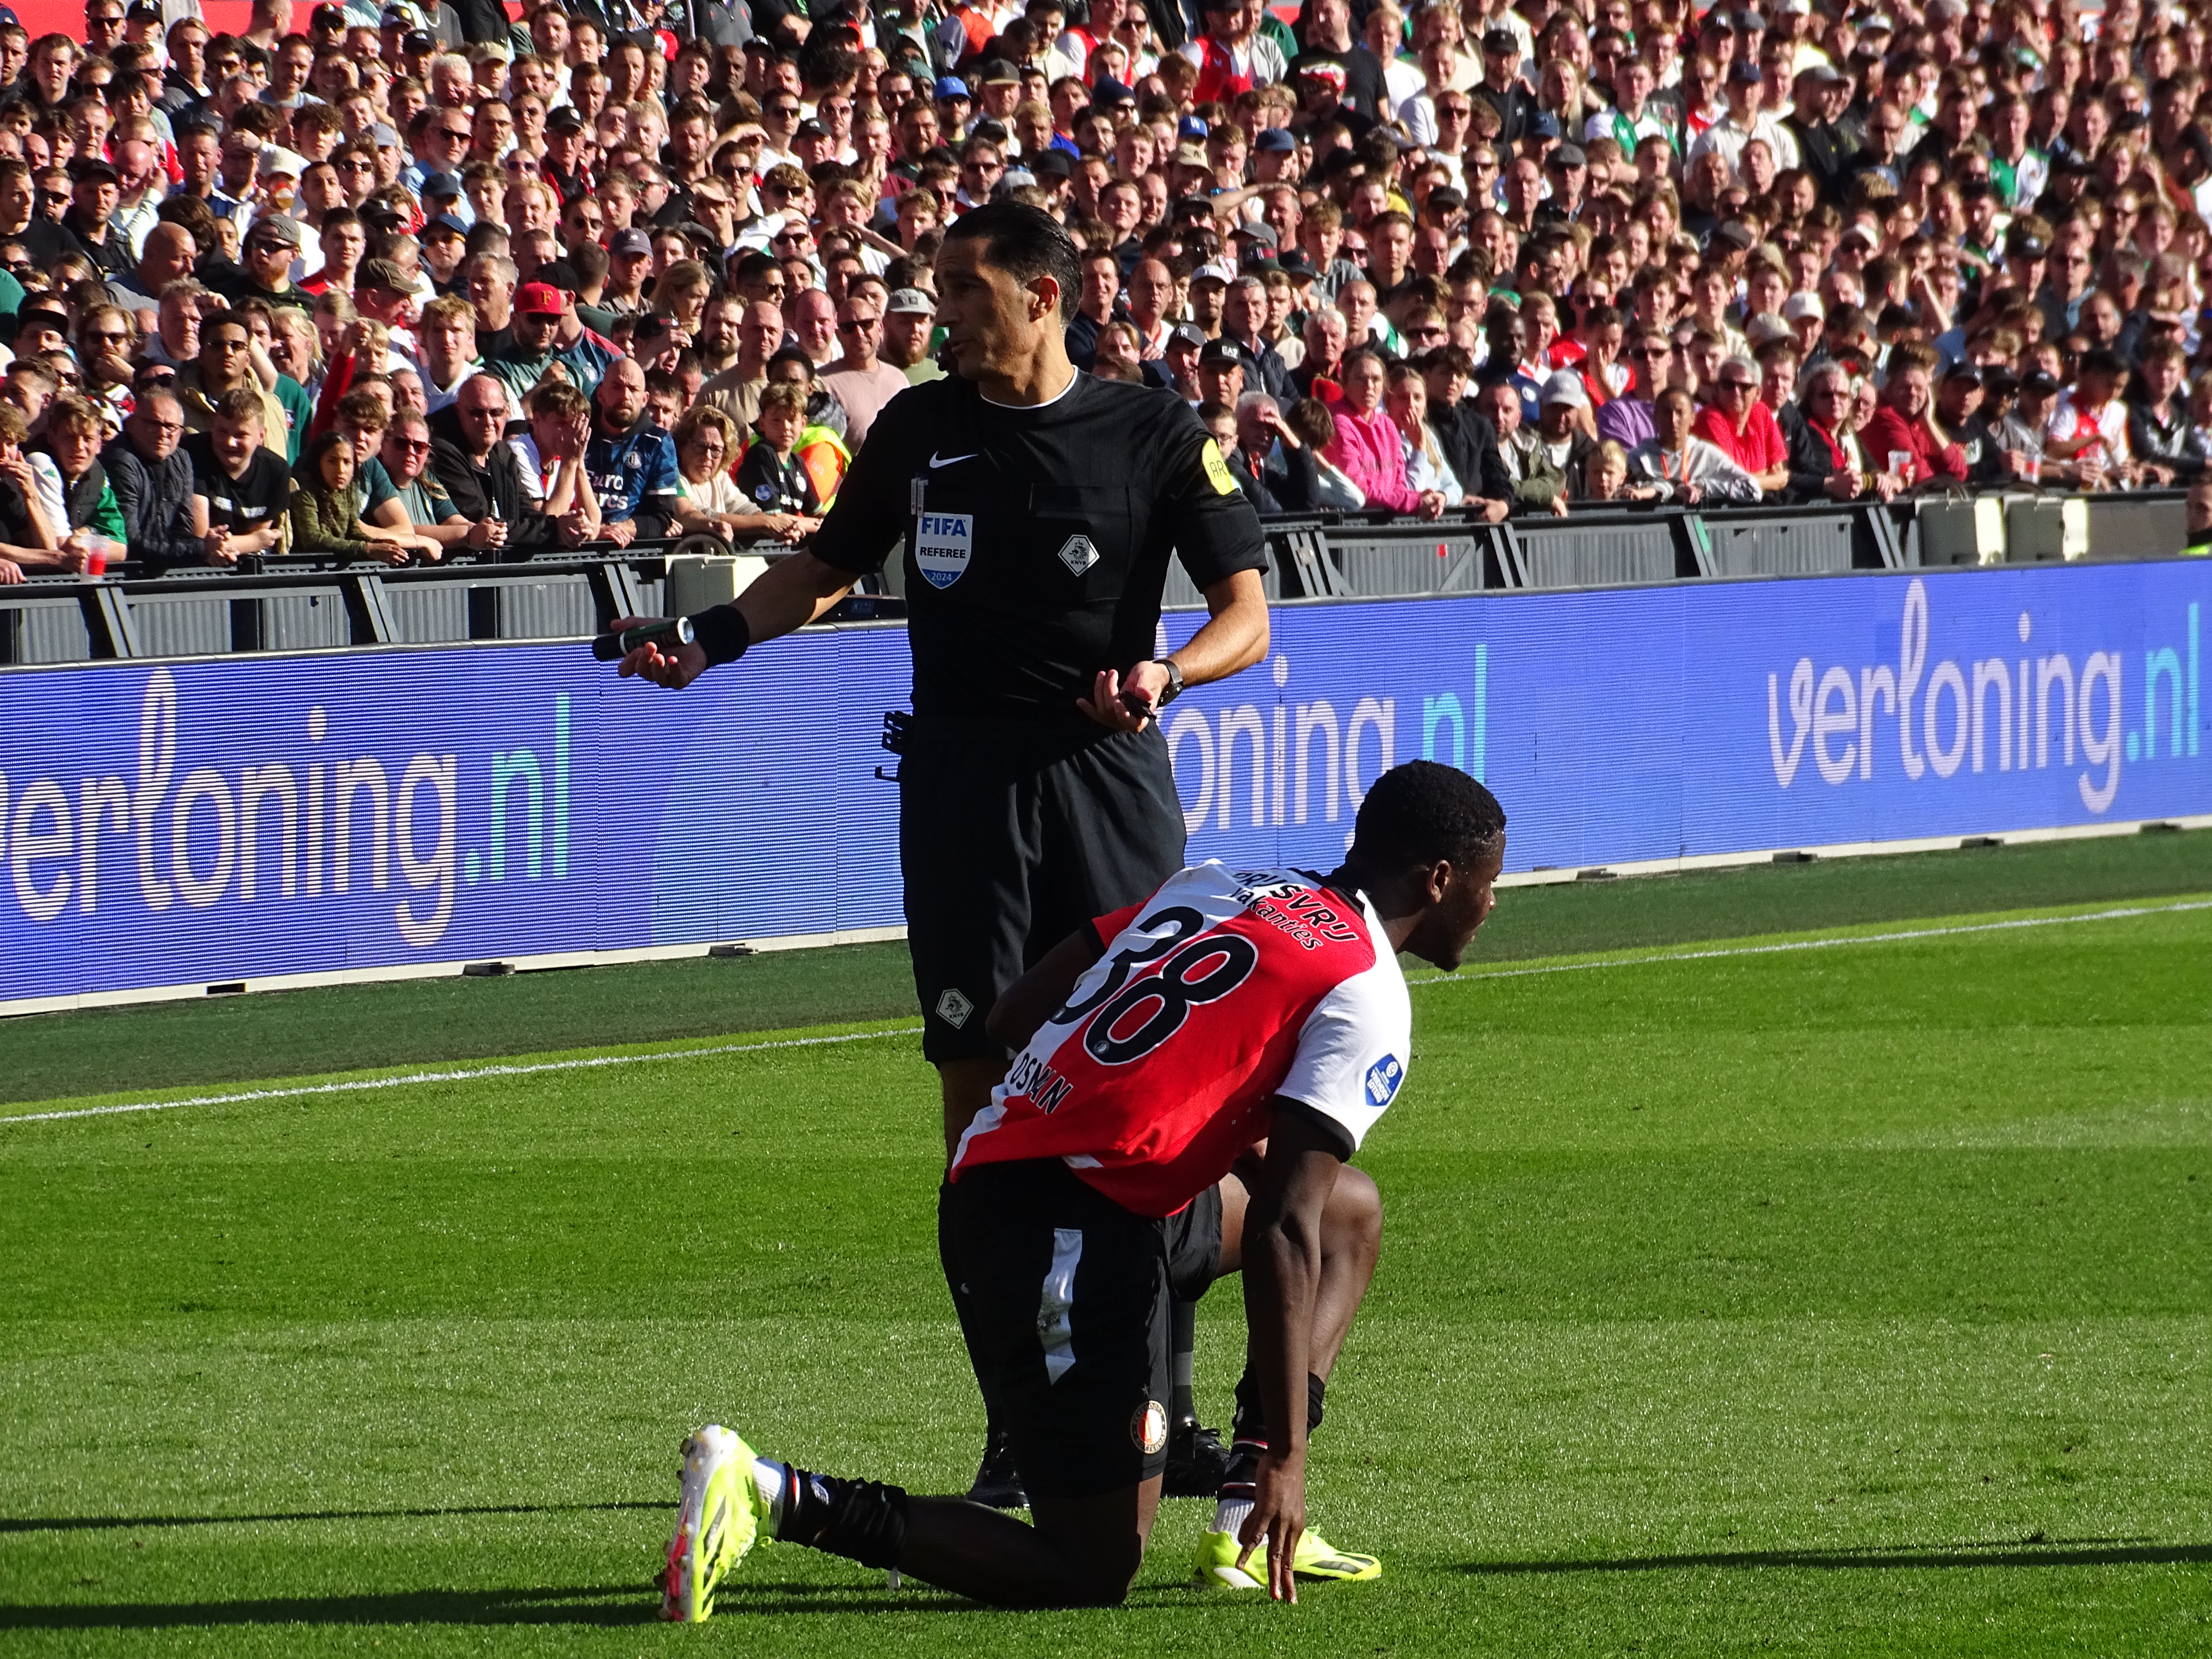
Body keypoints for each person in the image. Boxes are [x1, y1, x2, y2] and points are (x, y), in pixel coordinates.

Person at [611, 203, 1272, 1512]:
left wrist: (1167, 671)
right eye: (937, 289)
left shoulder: (1151, 433)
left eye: (966, 290)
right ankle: (1019, 1429)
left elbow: (1248, 615)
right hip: (966, 794)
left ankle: (1167, 1410)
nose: (943, 314)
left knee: (1146, 1106)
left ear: (1042, 294)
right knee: (982, 1127)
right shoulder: (918, 430)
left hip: (1108, 788)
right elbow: (823, 567)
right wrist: (707, 641)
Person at [658, 760, 1508, 1620]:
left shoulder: (1228, 880)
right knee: (1089, 1568)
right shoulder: (1368, 991)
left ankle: (1242, 1513)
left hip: (1052, 1184)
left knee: (1349, 1211)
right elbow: (1284, 1228)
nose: (1492, 906)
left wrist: (1148, 1116)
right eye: (1489, 884)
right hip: (1057, 1226)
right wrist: (1292, 1453)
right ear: (1439, 880)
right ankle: (770, 1492)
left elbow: (1013, 1015)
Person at [672, 404, 818, 543]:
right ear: (682, 444)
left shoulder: (719, 477)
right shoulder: (673, 476)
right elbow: (704, 516)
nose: (708, 456)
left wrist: (781, 527)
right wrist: (766, 523)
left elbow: (745, 509)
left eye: (716, 450)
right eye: (700, 447)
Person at [186, 386, 292, 564]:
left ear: (261, 436)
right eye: (222, 431)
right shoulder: (192, 453)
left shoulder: (276, 471)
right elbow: (200, 536)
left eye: (241, 435)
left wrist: (250, 542)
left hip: (247, 564)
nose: (229, 442)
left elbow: (262, 532)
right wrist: (253, 542)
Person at [583, 358, 682, 547]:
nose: (625, 396)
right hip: (575, 541)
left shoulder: (658, 441)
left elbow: (662, 517)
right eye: (617, 387)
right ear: (601, 395)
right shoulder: (579, 431)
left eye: (633, 389)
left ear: (645, 399)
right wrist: (597, 530)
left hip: (626, 548)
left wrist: (618, 528)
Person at [102, 382, 201, 570]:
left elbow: (182, 528)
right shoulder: (120, 459)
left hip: (162, 568)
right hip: (122, 572)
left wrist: (211, 545)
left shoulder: (182, 458)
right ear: (130, 425)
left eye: (171, 427)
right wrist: (201, 549)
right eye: (153, 424)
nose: (163, 433)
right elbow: (130, 540)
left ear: (181, 432)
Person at [1626, 387, 1760, 504]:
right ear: (1655, 418)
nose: (1673, 420)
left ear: (1693, 419)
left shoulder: (1705, 453)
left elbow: (1752, 490)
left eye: (1680, 413)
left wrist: (1704, 488)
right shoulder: (1638, 457)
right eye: (1667, 413)